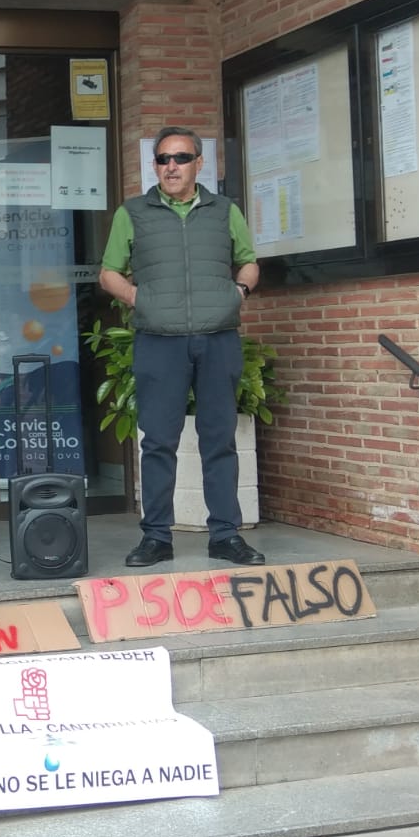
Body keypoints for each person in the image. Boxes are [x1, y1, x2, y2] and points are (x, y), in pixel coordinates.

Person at [98, 125, 264, 569]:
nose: (171, 166)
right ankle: (156, 537)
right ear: (154, 166)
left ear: (199, 163)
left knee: (219, 439)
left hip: (217, 339)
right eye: (163, 159)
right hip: (158, 342)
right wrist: (138, 298)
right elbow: (109, 272)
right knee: (158, 442)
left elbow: (248, 262)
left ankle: (225, 535)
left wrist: (240, 292)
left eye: (181, 158)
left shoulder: (224, 210)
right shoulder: (132, 213)